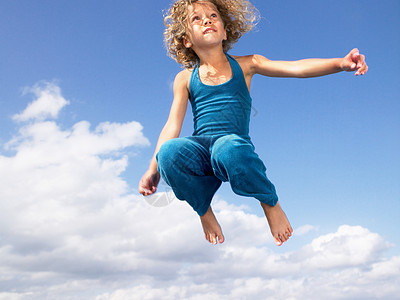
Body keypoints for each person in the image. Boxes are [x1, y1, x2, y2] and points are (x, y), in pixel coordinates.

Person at [139, 0, 368, 246]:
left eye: (213, 15)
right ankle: (204, 210)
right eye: (197, 18)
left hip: (234, 148)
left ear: (225, 31)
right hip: (201, 151)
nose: (207, 20)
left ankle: (270, 202)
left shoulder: (247, 64)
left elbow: (295, 68)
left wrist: (340, 64)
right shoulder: (184, 78)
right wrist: (154, 169)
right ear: (187, 40)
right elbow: (172, 126)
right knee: (169, 153)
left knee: (227, 148)